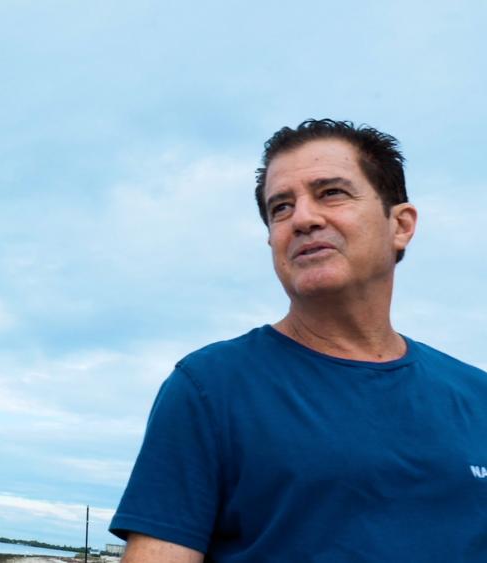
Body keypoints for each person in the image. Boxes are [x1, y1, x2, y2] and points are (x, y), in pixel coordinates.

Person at [110, 119, 487, 562]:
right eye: (281, 208)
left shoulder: (477, 397)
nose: (303, 219)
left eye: (331, 193)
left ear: (400, 224)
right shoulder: (210, 387)